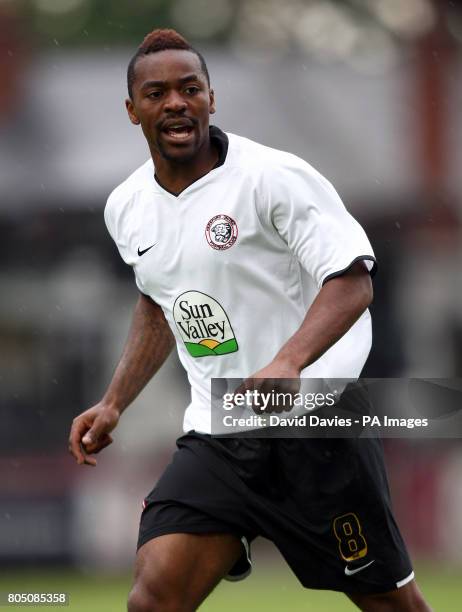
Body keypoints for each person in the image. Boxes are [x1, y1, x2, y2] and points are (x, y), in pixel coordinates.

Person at [68, 29, 431, 612]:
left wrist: (289, 360)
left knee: (392, 606)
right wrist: (114, 401)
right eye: (157, 93)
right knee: (153, 598)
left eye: (190, 89)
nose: (176, 103)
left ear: (212, 98)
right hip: (220, 432)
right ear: (133, 110)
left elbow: (353, 280)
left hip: (315, 427)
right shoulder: (126, 206)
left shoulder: (273, 177)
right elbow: (159, 301)